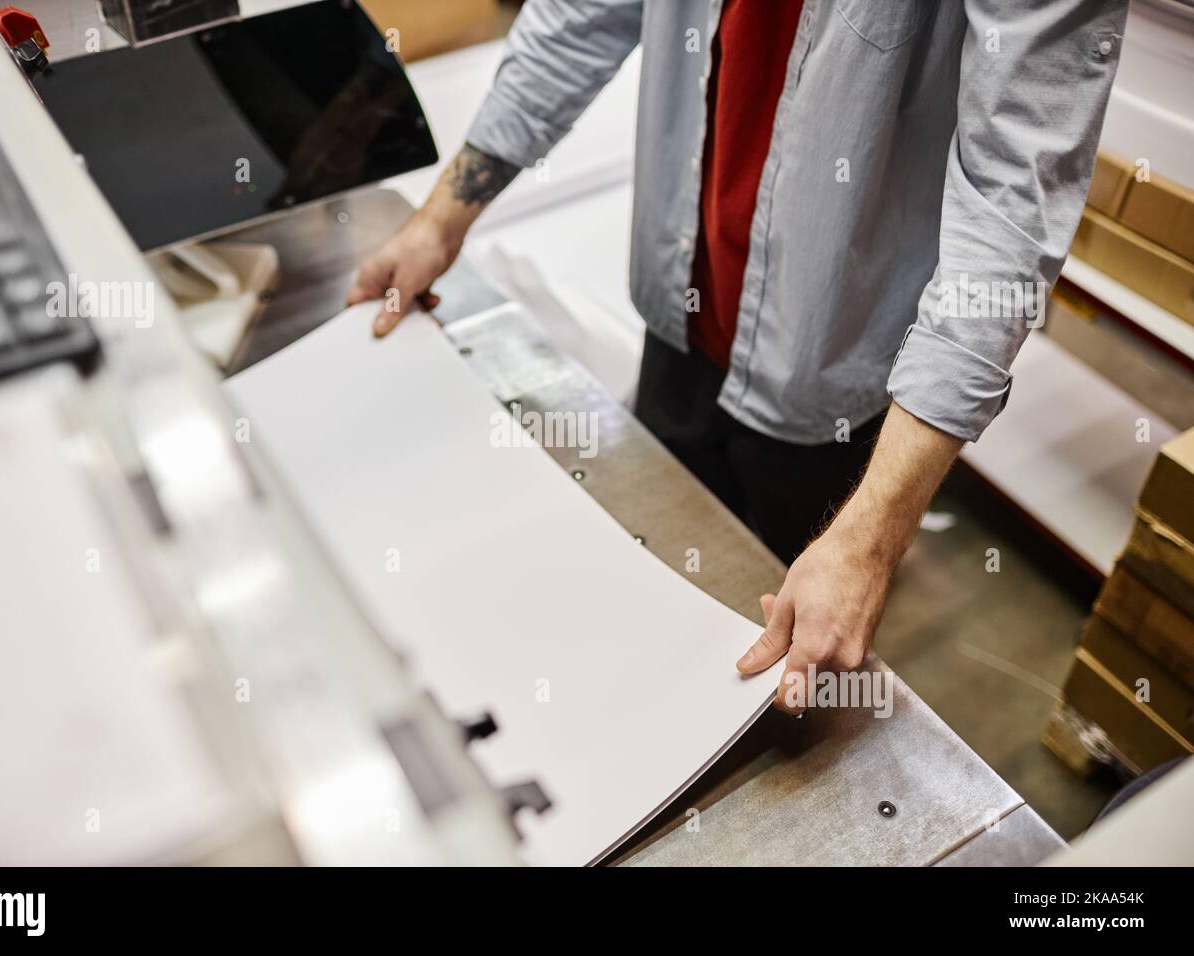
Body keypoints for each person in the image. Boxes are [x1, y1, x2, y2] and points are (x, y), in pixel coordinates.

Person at [347, 0, 1128, 712]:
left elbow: (1012, 206)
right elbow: (580, 16)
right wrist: (440, 221)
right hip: (684, 311)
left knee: (774, 681)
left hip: (835, 371)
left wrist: (870, 539)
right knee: (645, 597)